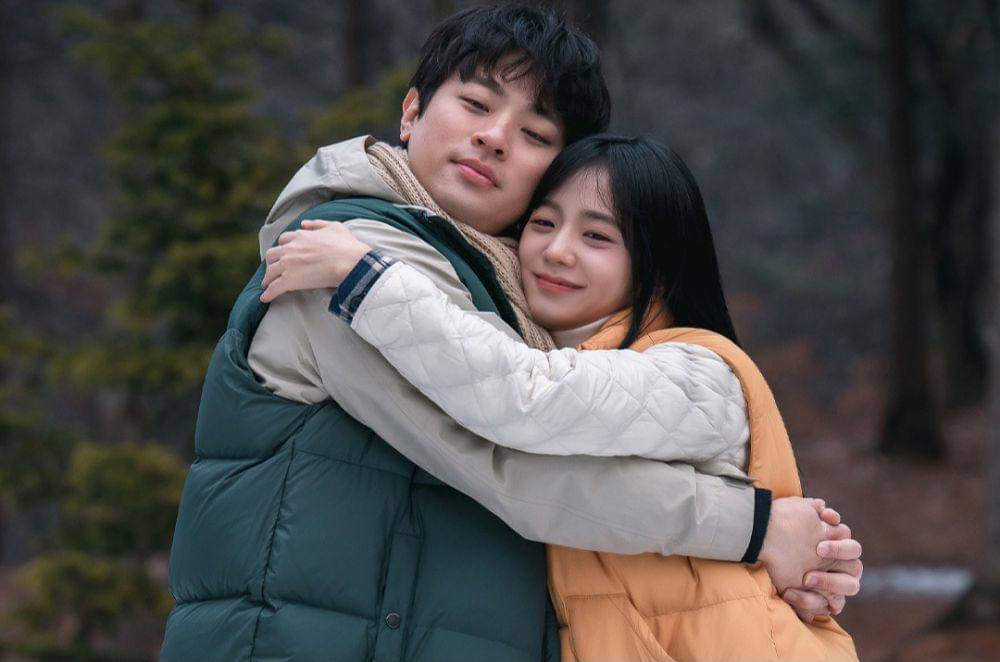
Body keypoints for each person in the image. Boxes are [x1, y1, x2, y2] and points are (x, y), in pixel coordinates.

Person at [161, 6, 861, 661]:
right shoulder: (344, 259)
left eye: (535, 135)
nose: (495, 137)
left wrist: (801, 562)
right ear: (412, 111)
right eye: (475, 103)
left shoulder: (513, 298)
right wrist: (756, 530)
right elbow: (514, 470)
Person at [261, 134, 860, 660]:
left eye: (597, 236)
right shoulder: (575, 360)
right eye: (544, 224)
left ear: (657, 264)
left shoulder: (697, 371)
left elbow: (526, 396)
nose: (556, 251)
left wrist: (368, 280)